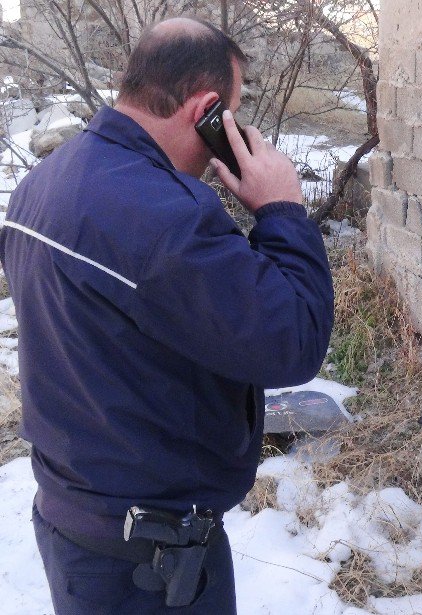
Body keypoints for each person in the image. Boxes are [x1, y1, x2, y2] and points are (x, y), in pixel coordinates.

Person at [0, 16, 334, 614]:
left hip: (74, 527)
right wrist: (281, 209)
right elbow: (294, 340)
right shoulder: (164, 219)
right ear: (206, 110)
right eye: (230, 112)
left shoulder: (48, 179)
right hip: (151, 566)